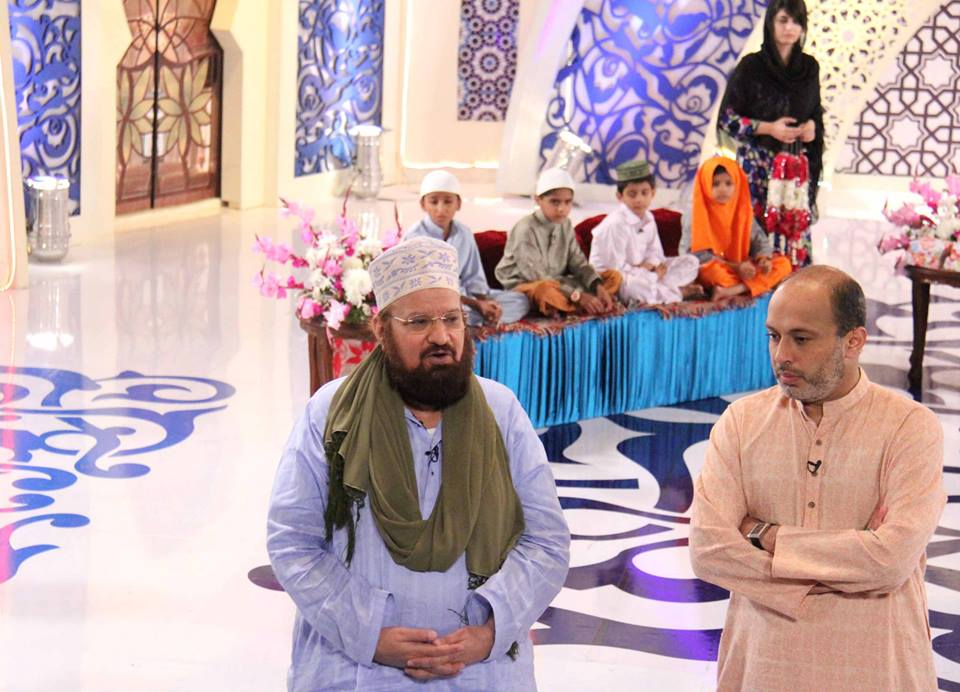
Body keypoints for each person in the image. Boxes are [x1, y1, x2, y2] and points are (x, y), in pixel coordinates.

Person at [267, 236, 570, 691]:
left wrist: (489, 634)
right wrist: (369, 634)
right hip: (357, 670)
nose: (441, 337)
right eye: (419, 322)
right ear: (381, 329)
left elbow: (546, 542)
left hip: (479, 672)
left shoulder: (501, 411)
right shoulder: (330, 416)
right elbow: (292, 541)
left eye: (452, 319)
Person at [689, 265, 945, 692]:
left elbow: (891, 560)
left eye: (801, 339)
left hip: (877, 666)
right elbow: (708, 551)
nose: (781, 355)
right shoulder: (741, 421)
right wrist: (851, 560)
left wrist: (765, 535)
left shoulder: (909, 427)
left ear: (854, 341)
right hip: (764, 667)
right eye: (774, 336)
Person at [717, 0, 823, 267]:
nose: (790, 28)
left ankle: (794, 288)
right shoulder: (751, 67)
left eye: (796, 21)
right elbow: (727, 120)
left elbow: (815, 113)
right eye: (783, 20)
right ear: (770, 23)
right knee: (758, 237)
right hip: (758, 167)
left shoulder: (809, 68)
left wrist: (812, 127)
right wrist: (769, 128)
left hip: (796, 170)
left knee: (794, 239)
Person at [405, 170, 530, 327]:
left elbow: (474, 275)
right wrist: (477, 305)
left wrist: (485, 302)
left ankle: (479, 318)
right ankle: (470, 319)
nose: (441, 209)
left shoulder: (464, 233)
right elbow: (426, 289)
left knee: (520, 301)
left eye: (448, 202)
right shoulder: (415, 237)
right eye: (434, 202)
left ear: (458, 204)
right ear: (423, 204)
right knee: (447, 313)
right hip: (433, 301)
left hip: (466, 299)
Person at [495, 167, 622, 318]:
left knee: (613, 277)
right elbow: (537, 277)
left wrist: (597, 286)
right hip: (528, 285)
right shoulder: (526, 229)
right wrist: (577, 295)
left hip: (559, 283)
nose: (562, 209)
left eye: (567, 202)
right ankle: (575, 305)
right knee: (545, 292)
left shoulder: (565, 224)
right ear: (538, 200)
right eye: (554, 202)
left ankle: (570, 306)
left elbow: (578, 263)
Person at [589, 159, 701, 305]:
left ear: (652, 193)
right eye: (632, 194)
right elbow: (615, 268)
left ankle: (664, 291)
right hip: (616, 278)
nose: (639, 199)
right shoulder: (616, 224)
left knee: (691, 262)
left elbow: (655, 251)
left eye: (644, 193)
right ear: (620, 196)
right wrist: (650, 275)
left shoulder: (649, 217)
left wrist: (652, 265)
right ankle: (677, 293)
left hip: (645, 271)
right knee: (635, 287)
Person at [680, 157, 792, 301]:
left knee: (784, 264)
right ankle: (752, 286)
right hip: (717, 268)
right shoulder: (695, 213)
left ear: (737, 184)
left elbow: (759, 239)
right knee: (714, 273)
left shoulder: (741, 209)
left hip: (743, 267)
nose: (723, 189)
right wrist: (735, 267)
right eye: (715, 184)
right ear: (705, 184)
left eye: (728, 183)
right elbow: (694, 256)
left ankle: (732, 290)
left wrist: (763, 259)